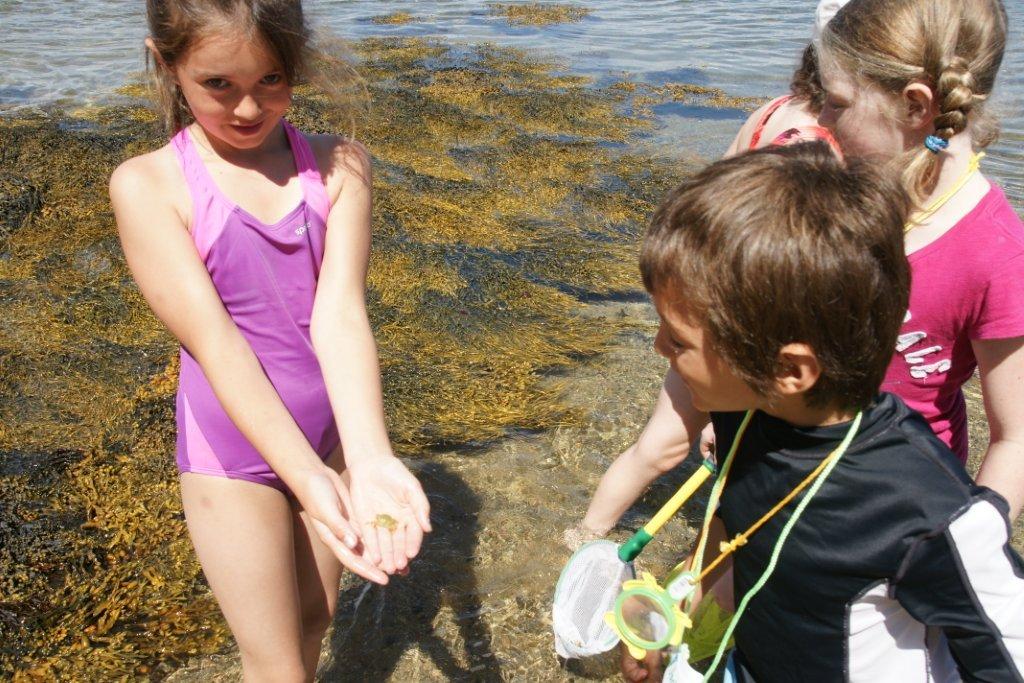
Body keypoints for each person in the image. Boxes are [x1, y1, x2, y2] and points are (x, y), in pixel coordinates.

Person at [110, 1, 431, 679]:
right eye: (218, 84)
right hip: (232, 455)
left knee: (316, 620)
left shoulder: (341, 166)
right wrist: (309, 480)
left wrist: (368, 456)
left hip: (329, 434)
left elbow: (339, 313)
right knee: (275, 663)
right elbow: (216, 341)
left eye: (272, 81)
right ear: (168, 65)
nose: (249, 109)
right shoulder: (149, 186)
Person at [622, 142, 1024, 683]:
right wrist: (671, 619)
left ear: (789, 371)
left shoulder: (925, 509)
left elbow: (1008, 652)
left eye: (677, 339)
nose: (658, 348)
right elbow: (734, 529)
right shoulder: (746, 417)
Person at [574, 0, 848, 545]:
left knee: (657, 446)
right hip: (736, 335)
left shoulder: (774, 111)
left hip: (700, 316)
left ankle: (585, 533)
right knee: (683, 447)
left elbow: (707, 199)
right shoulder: (824, 150)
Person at [817, 0, 1024, 517]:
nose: (821, 119)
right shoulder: (842, 195)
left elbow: (1015, 439)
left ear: (915, 106)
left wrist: (970, 541)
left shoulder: (993, 252)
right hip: (797, 478)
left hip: (903, 512)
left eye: (837, 102)